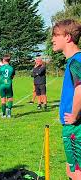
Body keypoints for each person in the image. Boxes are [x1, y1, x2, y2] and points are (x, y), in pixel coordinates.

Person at [52, 19, 81, 179]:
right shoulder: (74, 61)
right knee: (70, 170)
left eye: (56, 35)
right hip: (74, 127)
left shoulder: (76, 61)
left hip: (75, 127)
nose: (52, 39)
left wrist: (75, 115)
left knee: (76, 172)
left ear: (68, 37)